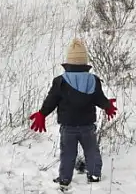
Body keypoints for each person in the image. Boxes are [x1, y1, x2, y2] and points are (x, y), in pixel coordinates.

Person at [29, 38, 118, 191]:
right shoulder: (93, 80)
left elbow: (51, 100)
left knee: (68, 153)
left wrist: (42, 114)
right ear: (85, 62)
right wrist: (107, 105)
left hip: (68, 127)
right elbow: (98, 98)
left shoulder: (60, 82)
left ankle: (64, 179)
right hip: (87, 126)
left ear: (68, 62)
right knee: (91, 150)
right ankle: (94, 174)